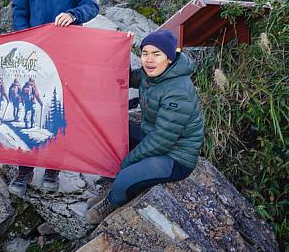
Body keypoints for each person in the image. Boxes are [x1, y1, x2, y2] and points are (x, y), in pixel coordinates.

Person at [9, 0, 99, 195]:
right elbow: (19, 11)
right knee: (28, 109)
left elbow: (90, 5)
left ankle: (52, 170)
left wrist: (73, 15)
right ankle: (23, 171)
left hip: (66, 53)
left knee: (58, 109)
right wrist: (27, 39)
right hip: (34, 55)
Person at [86, 29, 204, 224]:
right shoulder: (150, 74)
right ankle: (112, 184)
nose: (149, 60)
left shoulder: (178, 91)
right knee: (111, 131)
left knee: (125, 175)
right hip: (153, 136)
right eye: (145, 53)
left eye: (156, 54)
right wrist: (117, 48)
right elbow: (123, 77)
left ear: (169, 58)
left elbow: (162, 140)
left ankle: (112, 201)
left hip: (175, 155)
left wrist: (129, 160)